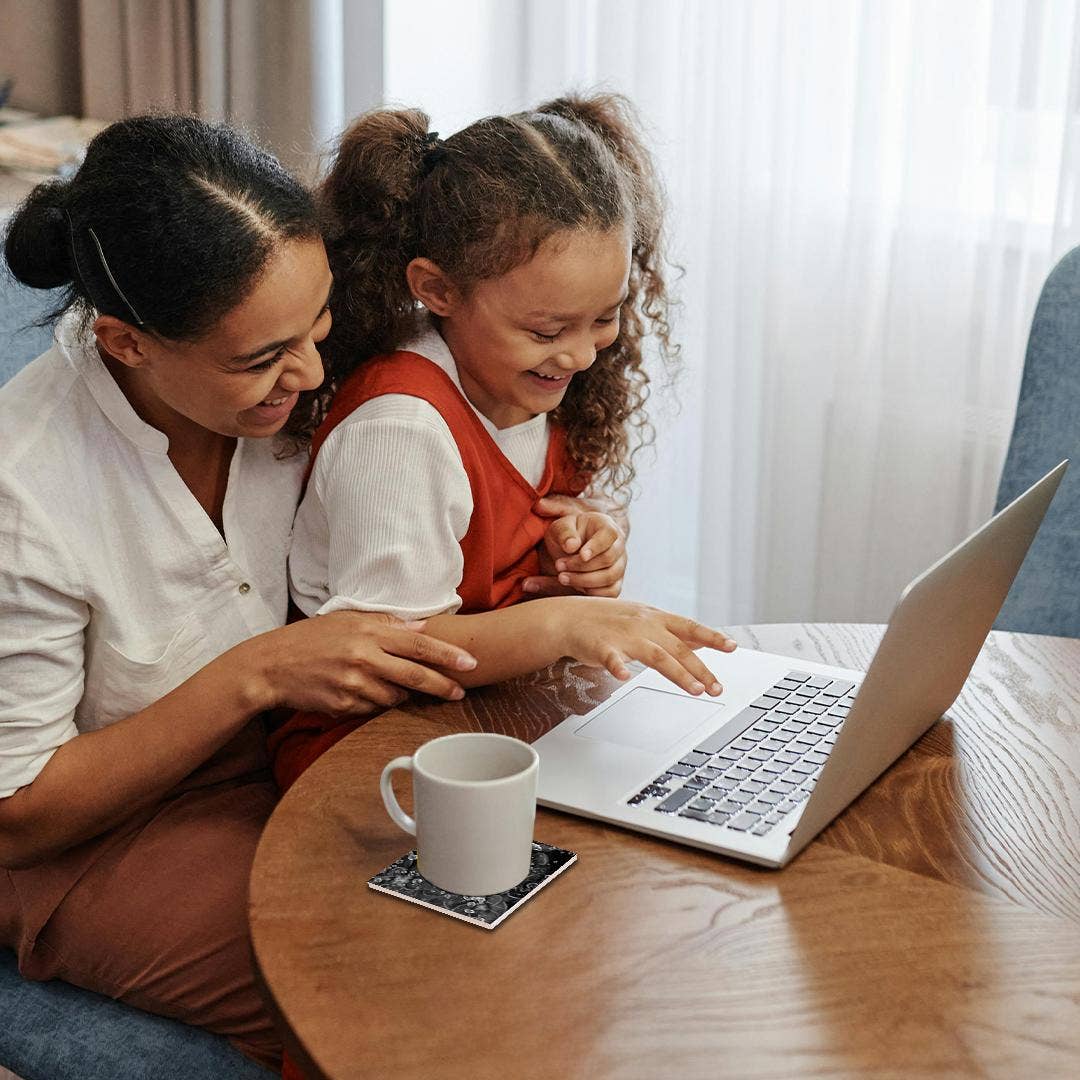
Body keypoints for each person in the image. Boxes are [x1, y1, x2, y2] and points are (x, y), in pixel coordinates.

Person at [0, 115, 478, 1070]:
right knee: (391, 991)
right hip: (93, 841)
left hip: (290, 760)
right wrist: (257, 673)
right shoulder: (27, 491)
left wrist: (573, 527)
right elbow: (18, 812)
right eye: (261, 359)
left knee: (511, 911)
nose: (311, 373)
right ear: (126, 344)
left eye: (318, 325)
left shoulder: (293, 387)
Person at [270, 93, 738, 794]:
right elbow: (397, 649)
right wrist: (565, 624)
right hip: (371, 749)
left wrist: (588, 544)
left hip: (493, 715)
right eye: (548, 331)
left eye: (604, 318)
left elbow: (526, 521)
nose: (581, 355)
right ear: (437, 289)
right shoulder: (399, 430)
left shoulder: (525, 379)